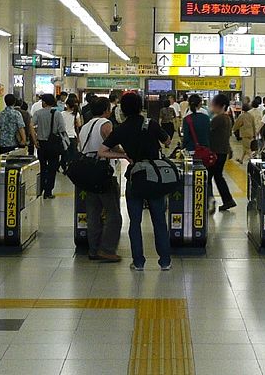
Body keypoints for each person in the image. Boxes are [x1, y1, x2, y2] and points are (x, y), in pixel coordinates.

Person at [98, 92, 173, 271]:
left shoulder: (121, 129)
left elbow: (102, 151)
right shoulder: (151, 124)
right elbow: (168, 141)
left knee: (135, 222)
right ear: (141, 106)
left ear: (122, 109)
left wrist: (124, 154)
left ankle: (138, 262)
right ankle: (164, 262)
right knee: (159, 221)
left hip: (135, 177)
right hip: (155, 177)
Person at [78, 98, 121, 263]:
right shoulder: (105, 123)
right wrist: (124, 153)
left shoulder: (85, 126)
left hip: (88, 173)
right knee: (114, 214)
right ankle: (108, 249)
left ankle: (94, 249)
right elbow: (113, 144)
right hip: (103, 173)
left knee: (93, 213)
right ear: (106, 110)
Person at [33, 93, 68, 198]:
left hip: (41, 144)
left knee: (43, 167)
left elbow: (31, 125)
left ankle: (41, 188)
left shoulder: (38, 113)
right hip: (53, 144)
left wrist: (35, 140)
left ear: (44, 102)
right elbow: (62, 129)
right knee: (52, 168)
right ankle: (48, 191)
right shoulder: (57, 114)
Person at [208, 94, 237, 211]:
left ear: (222, 106)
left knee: (208, 177)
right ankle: (228, 200)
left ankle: (209, 201)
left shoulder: (219, 119)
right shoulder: (227, 118)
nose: (212, 107)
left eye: (214, 105)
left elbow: (208, 131)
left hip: (215, 153)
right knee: (218, 177)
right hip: (223, 152)